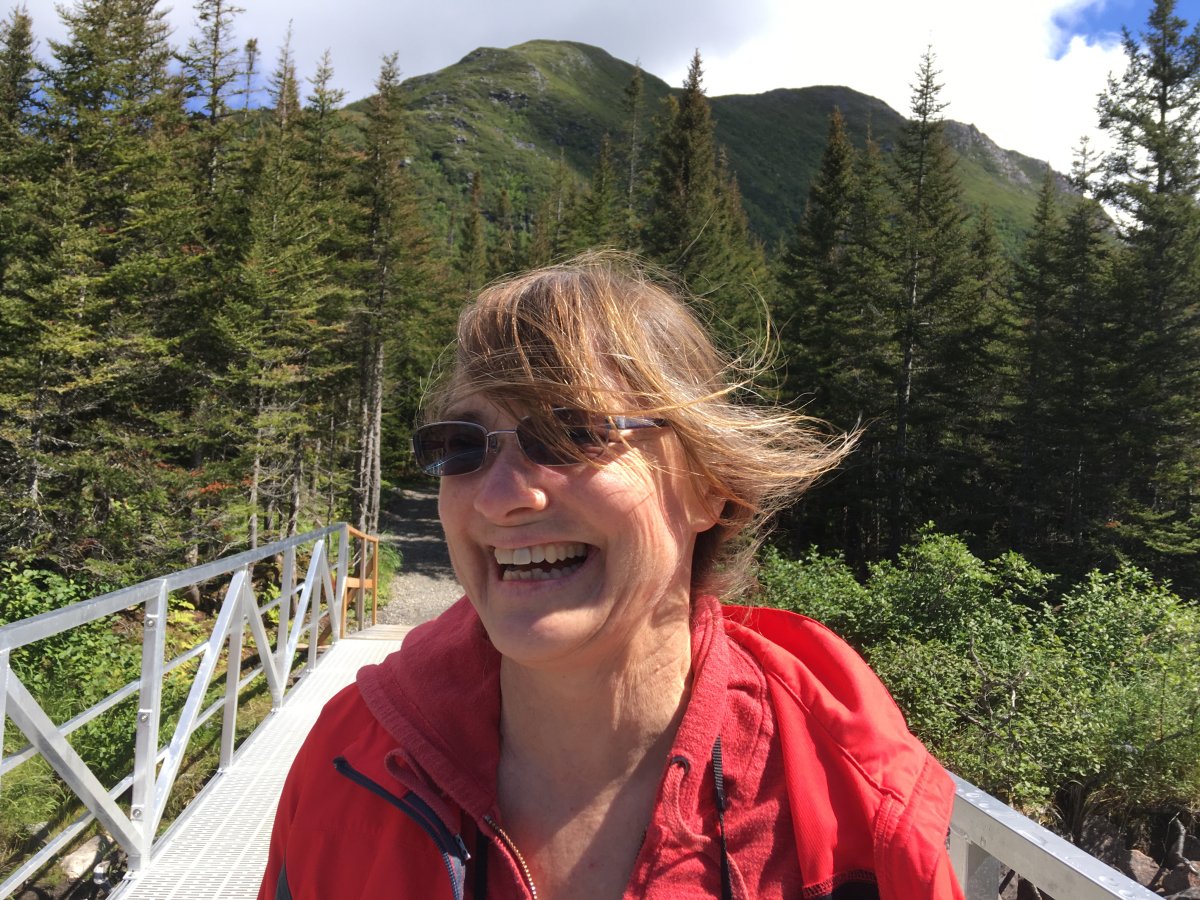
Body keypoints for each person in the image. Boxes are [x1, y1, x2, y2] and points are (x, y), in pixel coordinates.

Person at [258, 252, 963, 900]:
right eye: (460, 446)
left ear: (710, 484)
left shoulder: (850, 793)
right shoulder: (351, 763)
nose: (503, 496)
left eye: (572, 433)